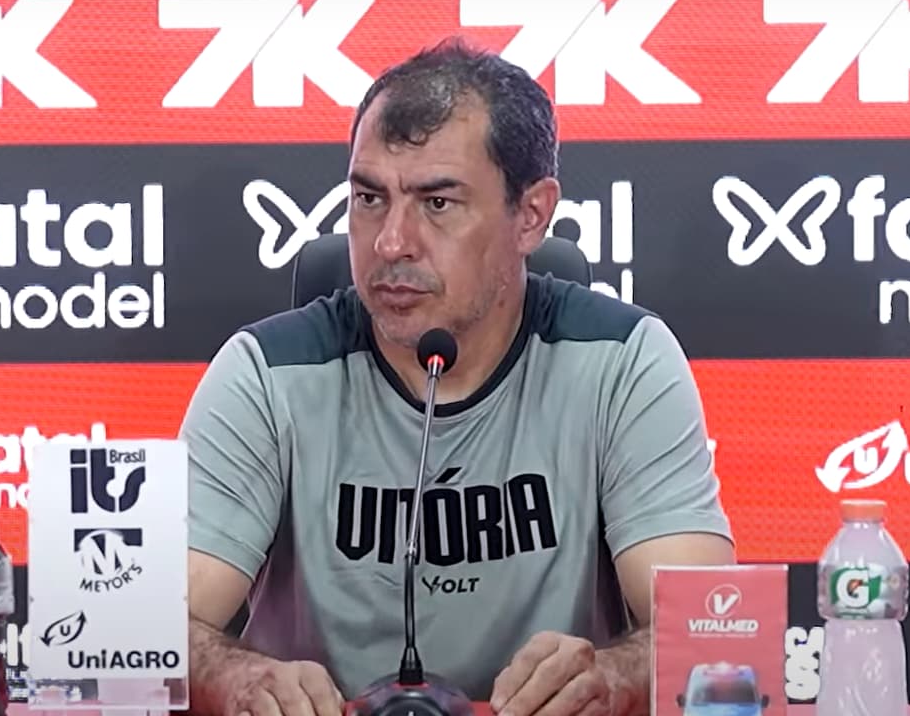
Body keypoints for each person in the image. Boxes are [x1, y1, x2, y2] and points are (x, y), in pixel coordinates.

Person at [181, 37, 735, 716]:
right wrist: (233, 675)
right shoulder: (267, 373)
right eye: (369, 198)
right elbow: (158, 625)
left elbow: (713, 627)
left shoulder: (623, 360)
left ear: (531, 215)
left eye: (437, 203)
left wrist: (616, 673)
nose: (391, 242)